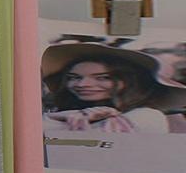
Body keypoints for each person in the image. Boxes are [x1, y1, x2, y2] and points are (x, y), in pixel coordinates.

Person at [41, 43, 186, 134]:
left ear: (130, 81)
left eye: (102, 78)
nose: (82, 84)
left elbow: (83, 144)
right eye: (74, 77)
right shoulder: (62, 111)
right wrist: (58, 116)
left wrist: (50, 119)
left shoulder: (147, 116)